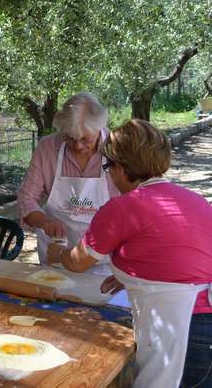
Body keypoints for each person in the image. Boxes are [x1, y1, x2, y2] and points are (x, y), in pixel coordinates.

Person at [48, 119, 212, 388]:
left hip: (183, 328)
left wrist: (57, 252)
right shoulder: (195, 200)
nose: (110, 176)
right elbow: (184, 255)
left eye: (108, 168)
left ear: (121, 169)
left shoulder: (122, 207)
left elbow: (77, 262)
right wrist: (133, 276)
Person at [18, 92, 119, 273]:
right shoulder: (48, 148)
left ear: (99, 127)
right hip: (56, 255)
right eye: (69, 138)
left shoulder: (117, 150)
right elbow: (26, 197)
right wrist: (44, 222)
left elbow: (132, 202)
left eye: (85, 139)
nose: (78, 146)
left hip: (104, 260)